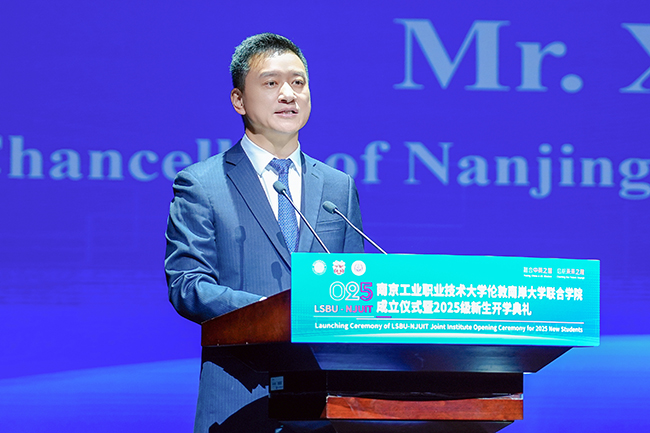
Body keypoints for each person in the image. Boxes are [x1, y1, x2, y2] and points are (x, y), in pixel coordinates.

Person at [164, 33, 364, 433]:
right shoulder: (202, 184)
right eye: (271, 83)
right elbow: (187, 285)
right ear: (239, 100)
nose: (288, 94)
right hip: (239, 401)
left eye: (298, 82)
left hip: (324, 408)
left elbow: (356, 288)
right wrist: (265, 312)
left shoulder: (338, 187)